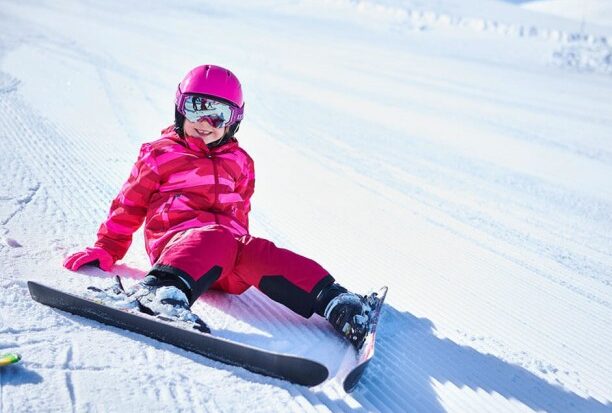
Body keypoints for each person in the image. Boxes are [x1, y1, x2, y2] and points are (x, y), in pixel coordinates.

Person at [63, 65, 372, 348]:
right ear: (179, 108)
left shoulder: (240, 162)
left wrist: (242, 246)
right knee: (215, 237)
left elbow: (241, 210)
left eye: (218, 115)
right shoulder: (159, 155)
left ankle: (334, 300)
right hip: (179, 249)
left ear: (234, 121)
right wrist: (107, 246)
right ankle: (159, 291)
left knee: (260, 251)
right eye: (196, 108)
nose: (205, 123)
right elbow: (129, 202)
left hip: (224, 257)